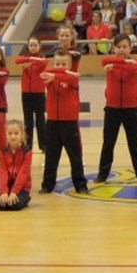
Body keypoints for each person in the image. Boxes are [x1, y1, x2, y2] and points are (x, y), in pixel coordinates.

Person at [96, 36, 137, 183]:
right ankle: (102, 174)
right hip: (112, 109)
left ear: (130, 48)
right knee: (108, 143)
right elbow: (103, 62)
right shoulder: (109, 63)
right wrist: (119, 63)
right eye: (118, 47)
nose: (121, 49)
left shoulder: (136, 63)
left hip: (131, 109)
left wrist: (118, 64)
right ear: (114, 48)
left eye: (124, 47)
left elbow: (136, 67)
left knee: (135, 143)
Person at [39, 49, 87, 194]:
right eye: (57, 63)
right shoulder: (49, 77)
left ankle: (80, 184)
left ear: (70, 65)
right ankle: (47, 185)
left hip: (69, 122)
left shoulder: (73, 78)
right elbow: (43, 75)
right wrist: (54, 75)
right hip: (52, 122)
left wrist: (56, 75)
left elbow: (68, 77)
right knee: (51, 156)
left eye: (64, 64)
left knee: (75, 156)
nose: (60, 66)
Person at [14, 37, 48, 151]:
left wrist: (31, 60)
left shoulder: (41, 58)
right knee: (28, 121)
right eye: (31, 45)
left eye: (35, 45)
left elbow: (44, 62)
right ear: (28, 46)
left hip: (39, 93)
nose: (33, 47)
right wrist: (28, 59)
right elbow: (17, 61)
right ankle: (28, 146)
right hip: (26, 93)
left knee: (40, 121)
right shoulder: (25, 58)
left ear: (39, 46)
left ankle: (43, 145)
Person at [0, 118, 33, 212]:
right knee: (1, 206)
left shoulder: (27, 152)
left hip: (22, 187)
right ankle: (8, 196)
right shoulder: (2, 153)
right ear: (6, 134)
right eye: (10, 133)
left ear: (22, 135)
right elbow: (3, 173)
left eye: (16, 133)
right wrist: (3, 192)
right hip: (8, 186)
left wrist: (14, 192)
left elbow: (23, 174)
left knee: (14, 205)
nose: (13, 137)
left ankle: (26, 197)